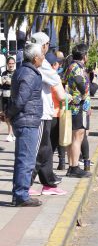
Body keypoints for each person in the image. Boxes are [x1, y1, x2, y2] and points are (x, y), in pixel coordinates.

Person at [29, 33, 70, 194]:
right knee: (39, 150)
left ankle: (48, 183)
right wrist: (68, 96)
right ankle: (26, 184)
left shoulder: (32, 61)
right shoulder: (41, 62)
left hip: (44, 111)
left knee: (45, 149)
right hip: (40, 112)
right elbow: (56, 84)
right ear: (43, 45)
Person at [8, 43, 45, 206]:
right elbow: (20, 100)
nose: (44, 58)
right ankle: (21, 195)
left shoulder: (23, 71)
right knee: (26, 159)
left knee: (22, 159)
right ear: (35, 58)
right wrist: (9, 114)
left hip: (25, 119)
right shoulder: (29, 74)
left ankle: (19, 194)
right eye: (42, 55)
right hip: (27, 120)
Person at [63, 43, 92, 178]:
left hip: (74, 107)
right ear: (84, 56)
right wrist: (86, 94)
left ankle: (71, 166)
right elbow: (81, 85)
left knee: (74, 137)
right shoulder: (77, 68)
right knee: (77, 136)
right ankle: (74, 167)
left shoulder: (70, 66)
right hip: (78, 107)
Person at [1, 56, 16, 141]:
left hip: (13, 97)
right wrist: (2, 82)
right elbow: (1, 83)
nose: (11, 65)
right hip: (5, 97)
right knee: (6, 117)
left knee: (11, 116)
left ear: (14, 64)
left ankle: (10, 133)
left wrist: (11, 82)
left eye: (12, 63)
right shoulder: (4, 73)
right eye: (9, 63)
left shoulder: (17, 72)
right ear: (7, 64)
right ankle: (12, 133)